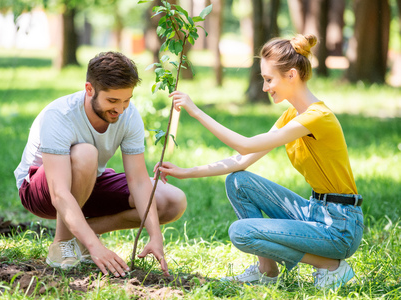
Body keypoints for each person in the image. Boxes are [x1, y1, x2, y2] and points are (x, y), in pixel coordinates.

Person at [156, 34, 364, 289]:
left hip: (340, 226)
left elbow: (246, 144)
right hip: (314, 212)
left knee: (241, 232)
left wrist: (197, 112)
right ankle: (267, 271)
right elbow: (242, 159)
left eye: (268, 79)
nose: (265, 87)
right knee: (238, 182)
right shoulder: (292, 115)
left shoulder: (317, 117)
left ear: (291, 75)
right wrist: (185, 172)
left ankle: (330, 266)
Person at [14, 51, 187, 277]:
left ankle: (82, 238)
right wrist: (98, 248)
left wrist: (155, 236)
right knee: (86, 154)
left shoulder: (128, 115)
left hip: (88, 181)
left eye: (126, 100)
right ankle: (62, 244)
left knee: (172, 201)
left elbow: (139, 181)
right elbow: (59, 193)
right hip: (42, 191)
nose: (120, 109)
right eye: (112, 101)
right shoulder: (60, 115)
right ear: (89, 89)